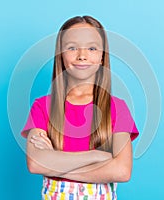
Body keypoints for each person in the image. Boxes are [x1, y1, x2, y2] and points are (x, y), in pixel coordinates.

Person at [21, 15, 139, 200]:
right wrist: (96, 156)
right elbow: (36, 164)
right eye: (72, 47)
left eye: (92, 48)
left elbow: (122, 171)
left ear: (102, 56)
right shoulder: (42, 107)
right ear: (61, 55)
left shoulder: (117, 108)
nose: (82, 55)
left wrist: (56, 165)